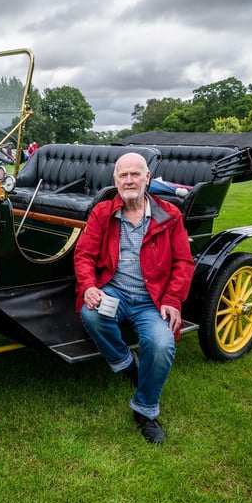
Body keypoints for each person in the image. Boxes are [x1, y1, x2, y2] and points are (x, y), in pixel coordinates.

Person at [74, 152, 194, 444]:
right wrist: (89, 286)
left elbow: (183, 262)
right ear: (115, 180)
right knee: (91, 313)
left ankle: (145, 410)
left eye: (135, 174)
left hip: (152, 300)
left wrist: (173, 299)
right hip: (113, 291)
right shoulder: (103, 213)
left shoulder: (169, 216)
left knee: (162, 343)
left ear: (147, 178)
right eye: (123, 175)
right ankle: (128, 363)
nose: (129, 180)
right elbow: (84, 254)